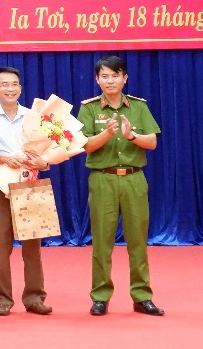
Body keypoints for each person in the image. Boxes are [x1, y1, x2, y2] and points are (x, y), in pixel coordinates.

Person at [80, 55, 164, 317]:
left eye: (115, 76)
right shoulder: (89, 109)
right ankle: (100, 297)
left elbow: (152, 142)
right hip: (102, 179)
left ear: (124, 78)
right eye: (104, 76)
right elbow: (84, 145)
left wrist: (131, 135)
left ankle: (142, 296)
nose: (110, 81)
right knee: (102, 242)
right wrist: (106, 134)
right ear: (97, 79)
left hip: (133, 178)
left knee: (137, 241)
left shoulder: (138, 107)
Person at [0, 67, 52, 316]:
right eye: (4, 84)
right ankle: (1, 299)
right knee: (0, 243)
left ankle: (34, 297)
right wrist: (3, 158)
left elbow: (47, 149)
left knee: (32, 242)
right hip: (0, 183)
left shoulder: (33, 116)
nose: (10, 89)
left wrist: (44, 162)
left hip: (29, 182)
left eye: (14, 84)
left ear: (20, 88)